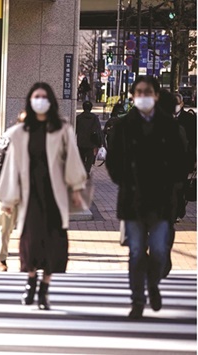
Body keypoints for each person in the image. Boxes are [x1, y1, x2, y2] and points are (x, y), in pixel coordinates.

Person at [0, 82, 87, 310]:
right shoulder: (19, 132)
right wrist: (7, 200)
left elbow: (73, 159)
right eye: (36, 96)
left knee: (53, 241)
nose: (40, 100)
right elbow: (10, 167)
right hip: (30, 195)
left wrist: (76, 189)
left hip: (55, 194)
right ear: (30, 99)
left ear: (51, 101)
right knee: (30, 240)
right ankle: (30, 281)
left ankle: (45, 288)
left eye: (44, 96)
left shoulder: (62, 129)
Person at [105, 76, 186, 320]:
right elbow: (113, 160)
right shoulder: (122, 126)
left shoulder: (171, 127)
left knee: (160, 250)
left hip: (162, 201)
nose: (143, 96)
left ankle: (153, 283)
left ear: (156, 95)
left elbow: (182, 160)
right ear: (132, 96)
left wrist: (172, 184)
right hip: (133, 200)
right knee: (137, 252)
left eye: (147, 91)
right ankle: (138, 300)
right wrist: (124, 179)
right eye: (139, 92)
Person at [0, 110, 26, 271]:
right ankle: (1, 259)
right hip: (9, 192)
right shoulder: (9, 139)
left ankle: (28, 259)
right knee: (5, 229)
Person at [75, 101, 103, 177]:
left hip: (81, 141)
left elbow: (75, 130)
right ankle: (86, 171)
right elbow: (98, 130)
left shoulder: (79, 117)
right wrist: (100, 142)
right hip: (91, 141)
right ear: (91, 108)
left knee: (81, 157)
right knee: (90, 158)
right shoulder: (94, 118)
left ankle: (82, 171)